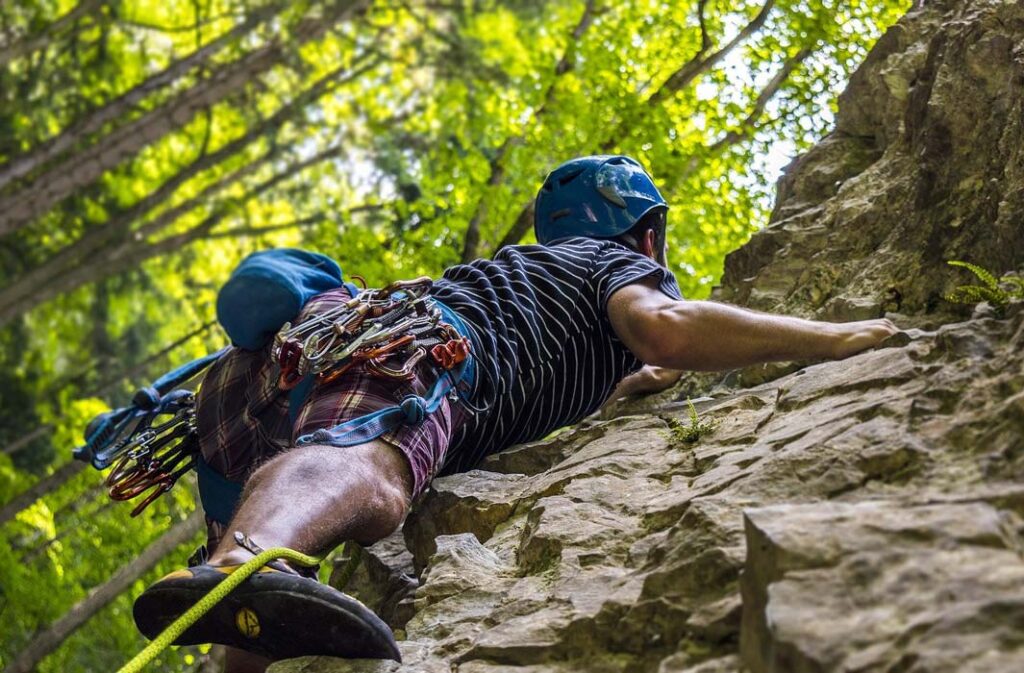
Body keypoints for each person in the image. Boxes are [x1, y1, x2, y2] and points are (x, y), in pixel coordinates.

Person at [132, 155, 898, 672]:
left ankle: (236, 603)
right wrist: (837, 338)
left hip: (249, 392)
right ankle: (241, 560)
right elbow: (665, 327)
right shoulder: (614, 264)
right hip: (416, 347)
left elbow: (620, 369)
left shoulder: (533, 281)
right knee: (376, 467)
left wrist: (633, 383)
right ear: (648, 235)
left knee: (255, 604)